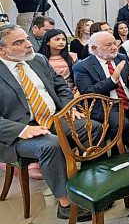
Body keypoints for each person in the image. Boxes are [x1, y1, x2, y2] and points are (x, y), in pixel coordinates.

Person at [0, 24, 98, 221]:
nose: (28, 45)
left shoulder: (38, 59)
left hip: (53, 117)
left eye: (27, 39)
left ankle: (87, 186)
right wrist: (22, 129)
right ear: (2, 49)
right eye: (19, 42)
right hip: (17, 130)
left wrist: (68, 107)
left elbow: (61, 86)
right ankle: (65, 202)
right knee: (50, 145)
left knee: (92, 128)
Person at [73, 31, 129, 152]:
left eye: (114, 43)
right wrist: (112, 80)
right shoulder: (82, 66)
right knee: (122, 125)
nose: (114, 48)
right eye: (108, 45)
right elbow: (88, 92)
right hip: (106, 105)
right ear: (95, 48)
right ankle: (117, 155)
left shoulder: (121, 58)